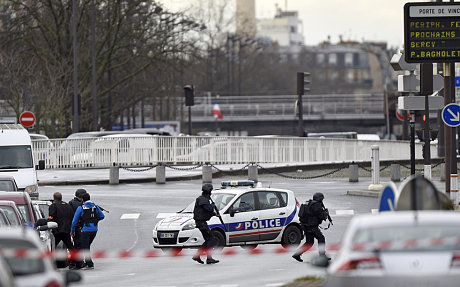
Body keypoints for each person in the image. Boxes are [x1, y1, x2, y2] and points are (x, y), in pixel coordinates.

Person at [71, 192, 105, 269]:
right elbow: (102, 216)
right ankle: (87, 262)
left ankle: (89, 264)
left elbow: (74, 221)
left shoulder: (81, 208)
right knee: (87, 245)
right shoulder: (95, 206)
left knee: (85, 246)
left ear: (82, 199)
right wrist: (95, 220)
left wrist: (72, 230)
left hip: (86, 229)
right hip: (95, 229)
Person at [292, 192, 329, 262]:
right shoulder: (317, 206)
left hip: (305, 226)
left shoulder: (308, 203)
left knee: (309, 242)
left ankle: (297, 254)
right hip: (312, 227)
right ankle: (322, 256)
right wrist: (326, 214)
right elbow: (322, 216)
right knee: (321, 238)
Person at [192, 183, 220, 264]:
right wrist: (213, 205)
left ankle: (198, 256)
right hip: (201, 223)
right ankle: (208, 258)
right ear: (209, 191)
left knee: (208, 239)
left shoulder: (203, 199)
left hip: (201, 222)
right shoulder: (202, 199)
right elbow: (208, 208)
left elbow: (204, 212)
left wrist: (215, 214)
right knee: (212, 239)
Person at [48, 192, 77, 268]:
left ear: (54, 198)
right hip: (67, 230)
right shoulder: (68, 206)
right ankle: (75, 262)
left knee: (52, 247)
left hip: (57, 230)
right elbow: (72, 216)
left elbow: (51, 217)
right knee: (70, 247)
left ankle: (48, 262)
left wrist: (48, 221)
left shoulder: (53, 206)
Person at [68, 188, 86, 269]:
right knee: (78, 245)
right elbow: (81, 217)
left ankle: (75, 262)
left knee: (76, 245)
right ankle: (76, 263)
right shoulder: (80, 205)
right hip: (78, 227)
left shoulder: (71, 203)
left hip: (72, 227)